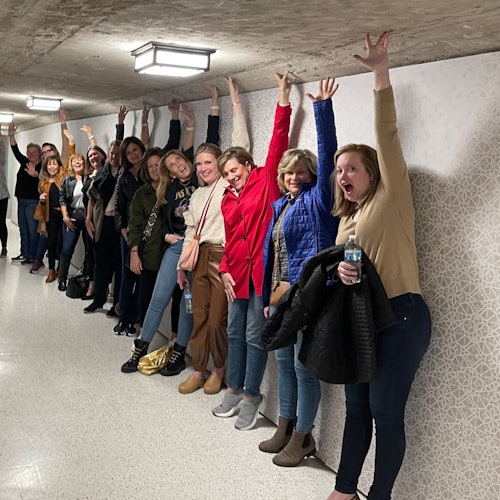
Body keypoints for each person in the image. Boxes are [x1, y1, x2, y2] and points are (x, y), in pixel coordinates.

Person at [326, 32, 431, 500]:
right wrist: (338, 274)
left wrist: (379, 72)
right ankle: (344, 490)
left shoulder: (392, 199)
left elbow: (386, 134)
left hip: (402, 317)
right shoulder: (347, 218)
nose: (343, 175)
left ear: (372, 171)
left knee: (386, 413)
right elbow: (338, 271)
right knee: (356, 409)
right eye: (338, 169)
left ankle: (380, 496)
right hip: (360, 322)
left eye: (351, 167)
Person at [259, 77, 340, 465]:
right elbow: (270, 256)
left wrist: (323, 110)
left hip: (309, 294)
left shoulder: (320, 201)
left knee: (302, 368)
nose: (293, 176)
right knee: (282, 363)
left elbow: (329, 157)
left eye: (300, 171)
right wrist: (266, 298)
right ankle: (286, 426)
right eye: (288, 172)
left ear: (309, 174)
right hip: (280, 294)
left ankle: (304, 438)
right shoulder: (280, 207)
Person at [212, 72, 292, 431]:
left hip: (262, 276)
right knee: (232, 332)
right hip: (235, 276)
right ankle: (232, 386)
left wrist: (283, 100)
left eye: (234, 170)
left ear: (248, 165)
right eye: (226, 173)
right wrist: (224, 270)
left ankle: (251, 395)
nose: (230, 177)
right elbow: (230, 239)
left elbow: (278, 142)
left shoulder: (266, 180)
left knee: (253, 335)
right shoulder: (227, 199)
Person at [121, 95, 219, 373]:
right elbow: (164, 223)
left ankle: (179, 352)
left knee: (188, 303)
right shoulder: (168, 191)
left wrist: (207, 111)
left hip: (199, 249)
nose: (180, 165)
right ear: (170, 173)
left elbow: (212, 147)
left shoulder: (203, 180)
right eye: (173, 166)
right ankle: (140, 348)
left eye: (180, 160)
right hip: (177, 249)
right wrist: (166, 238)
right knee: (158, 298)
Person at [125, 147, 165, 339]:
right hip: (148, 253)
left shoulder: (174, 189)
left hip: (170, 254)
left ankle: (174, 340)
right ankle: (143, 335)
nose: (154, 169)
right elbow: (134, 225)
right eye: (150, 166)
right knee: (145, 295)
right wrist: (134, 252)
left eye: (157, 165)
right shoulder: (142, 194)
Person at [111, 136, 146, 331]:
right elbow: (119, 210)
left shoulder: (152, 174)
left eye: (135, 150)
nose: (133, 154)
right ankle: (123, 317)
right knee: (127, 277)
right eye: (129, 152)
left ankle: (135, 316)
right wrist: (125, 233)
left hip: (148, 236)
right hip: (128, 235)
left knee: (142, 279)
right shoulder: (123, 178)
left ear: (142, 149)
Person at [8, 121, 42, 265]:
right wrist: (11, 135)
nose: (30, 155)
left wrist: (35, 175)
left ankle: (34, 256)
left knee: (33, 231)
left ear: (39, 154)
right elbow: (15, 150)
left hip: (33, 202)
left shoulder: (42, 167)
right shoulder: (25, 163)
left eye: (33, 153)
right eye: (28, 153)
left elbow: (43, 181)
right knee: (23, 229)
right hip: (21, 201)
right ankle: (25, 253)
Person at [58, 151, 91, 291]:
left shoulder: (89, 178)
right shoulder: (67, 180)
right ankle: (62, 278)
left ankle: (86, 278)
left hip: (88, 219)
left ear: (84, 163)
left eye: (80, 160)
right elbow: (62, 199)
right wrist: (65, 217)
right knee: (67, 248)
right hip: (71, 218)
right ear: (71, 164)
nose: (78, 162)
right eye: (74, 160)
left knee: (89, 250)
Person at [34, 154, 65, 283]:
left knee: (62, 244)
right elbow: (42, 202)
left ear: (59, 166)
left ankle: (61, 270)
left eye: (54, 164)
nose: (52, 167)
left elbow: (69, 157)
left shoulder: (63, 178)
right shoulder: (43, 182)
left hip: (64, 215)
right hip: (51, 216)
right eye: (49, 164)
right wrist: (41, 199)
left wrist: (70, 143)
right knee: (51, 243)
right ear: (46, 167)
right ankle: (51, 270)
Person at [0, 127, 9, 257]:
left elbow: (2, 155)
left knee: (1, 222)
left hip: (2, 195)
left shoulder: (1, 163)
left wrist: (1, 139)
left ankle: (4, 247)